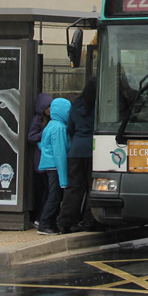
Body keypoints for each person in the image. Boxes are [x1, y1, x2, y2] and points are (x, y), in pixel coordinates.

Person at [58, 77, 99, 233]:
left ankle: (65, 221)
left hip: (76, 150)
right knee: (91, 187)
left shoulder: (76, 105)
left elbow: (70, 128)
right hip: (93, 149)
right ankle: (89, 221)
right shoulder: (99, 106)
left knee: (73, 187)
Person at [36, 97, 71, 235]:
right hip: (56, 167)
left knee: (52, 195)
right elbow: (59, 153)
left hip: (49, 165)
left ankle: (47, 223)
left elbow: (43, 145)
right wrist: (64, 180)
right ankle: (45, 223)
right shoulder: (60, 128)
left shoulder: (50, 125)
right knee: (55, 196)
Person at [27, 92, 53, 227]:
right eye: (47, 107)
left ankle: (39, 215)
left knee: (46, 190)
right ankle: (38, 216)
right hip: (40, 159)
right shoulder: (37, 120)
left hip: (45, 158)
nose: (49, 110)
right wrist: (45, 133)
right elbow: (31, 137)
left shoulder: (51, 119)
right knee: (42, 191)